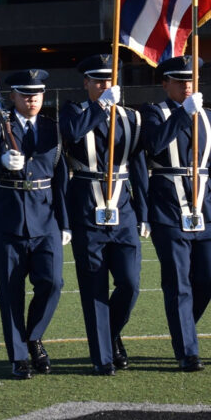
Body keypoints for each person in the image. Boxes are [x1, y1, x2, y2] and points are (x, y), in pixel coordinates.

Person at [60, 54, 148, 375]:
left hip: (122, 208)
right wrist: (100, 107)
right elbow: (72, 133)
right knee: (94, 286)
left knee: (130, 283)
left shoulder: (131, 118)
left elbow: (137, 164)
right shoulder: (74, 111)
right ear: (86, 83)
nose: (103, 84)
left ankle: (109, 333)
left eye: (108, 80)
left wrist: (145, 212)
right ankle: (102, 357)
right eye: (97, 80)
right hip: (86, 205)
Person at [140, 56, 211, 372]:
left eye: (190, 79)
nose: (186, 85)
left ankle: (183, 324)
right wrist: (182, 115)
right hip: (167, 207)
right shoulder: (154, 113)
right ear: (165, 84)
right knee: (178, 281)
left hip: (206, 210)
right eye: (178, 80)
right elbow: (153, 145)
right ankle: (187, 351)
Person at [0, 69, 68, 379]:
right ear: (13, 96)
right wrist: (0, 163)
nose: (33, 98)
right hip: (8, 219)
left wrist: (65, 223)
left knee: (53, 283)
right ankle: (19, 357)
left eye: (38, 93)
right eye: (26, 94)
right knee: (11, 291)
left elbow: (60, 177)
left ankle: (33, 336)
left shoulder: (52, 128)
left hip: (46, 218)